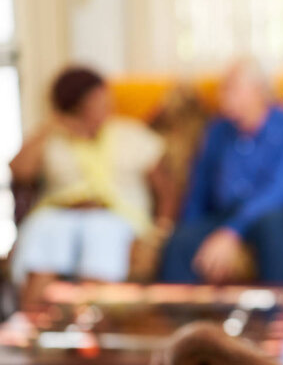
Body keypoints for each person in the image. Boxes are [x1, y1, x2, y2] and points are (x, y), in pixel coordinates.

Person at [10, 66, 174, 307]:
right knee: (44, 234)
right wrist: (52, 126)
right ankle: (31, 328)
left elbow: (166, 187)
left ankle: (90, 328)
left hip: (114, 216)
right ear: (76, 106)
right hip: (59, 215)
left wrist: (162, 227)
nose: (106, 106)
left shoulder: (129, 134)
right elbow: (19, 171)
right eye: (96, 101)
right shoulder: (54, 138)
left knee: (100, 236)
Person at [160, 59, 283, 284]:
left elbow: (279, 191)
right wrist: (191, 227)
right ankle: (184, 318)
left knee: (270, 223)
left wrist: (232, 231)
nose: (222, 95)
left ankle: (273, 315)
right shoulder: (217, 130)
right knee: (180, 242)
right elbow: (199, 188)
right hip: (230, 212)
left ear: (258, 91)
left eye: (231, 88)